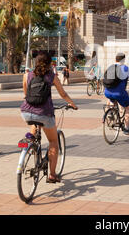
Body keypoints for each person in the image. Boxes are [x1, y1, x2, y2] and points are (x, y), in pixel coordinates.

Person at [20, 52, 77, 183]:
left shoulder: (26, 75)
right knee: (53, 142)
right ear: (49, 63)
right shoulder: (51, 76)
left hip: (26, 111)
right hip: (45, 113)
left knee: (34, 131)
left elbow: (26, 94)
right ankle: (52, 174)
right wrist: (72, 103)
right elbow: (63, 93)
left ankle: (29, 146)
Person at [104, 53, 129, 134]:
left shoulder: (110, 67)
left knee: (112, 98)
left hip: (107, 92)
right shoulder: (126, 68)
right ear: (123, 60)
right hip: (119, 93)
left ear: (115, 59)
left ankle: (110, 112)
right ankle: (126, 128)